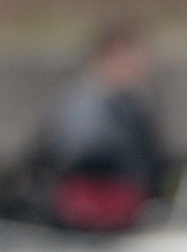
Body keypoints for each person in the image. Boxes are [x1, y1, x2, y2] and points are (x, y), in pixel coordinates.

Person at [26, 21, 167, 233]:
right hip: (89, 217)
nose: (145, 66)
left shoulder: (133, 104)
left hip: (127, 213)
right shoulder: (83, 106)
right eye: (134, 59)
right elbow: (71, 157)